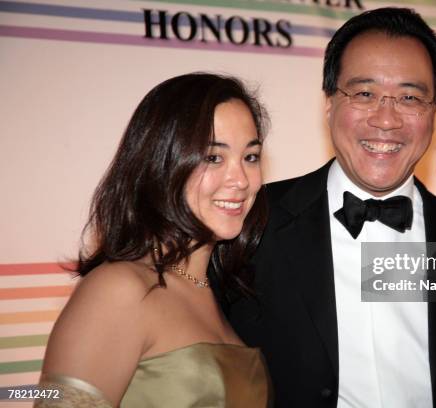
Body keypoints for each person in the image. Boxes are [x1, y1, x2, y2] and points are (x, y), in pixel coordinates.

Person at [227, 7, 436, 408]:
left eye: (409, 97)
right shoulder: (247, 223)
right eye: (364, 94)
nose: (386, 120)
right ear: (329, 104)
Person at [35, 73, 271, 407]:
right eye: (213, 157)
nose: (241, 180)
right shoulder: (119, 289)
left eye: (250, 157)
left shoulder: (217, 292)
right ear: (162, 163)